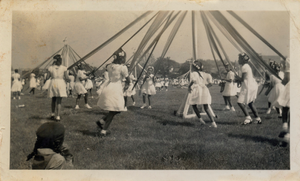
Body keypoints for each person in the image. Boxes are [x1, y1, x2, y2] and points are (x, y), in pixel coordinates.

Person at [96, 48, 129, 136]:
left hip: (108, 87)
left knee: (117, 109)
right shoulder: (123, 67)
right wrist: (127, 84)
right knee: (115, 109)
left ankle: (101, 121)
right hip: (116, 88)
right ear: (121, 58)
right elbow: (127, 78)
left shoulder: (109, 66)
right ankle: (104, 130)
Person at [188, 60, 217, 128]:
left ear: (194, 67)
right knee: (206, 107)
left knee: (193, 104)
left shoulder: (194, 73)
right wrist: (205, 87)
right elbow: (211, 83)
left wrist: (189, 86)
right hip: (204, 89)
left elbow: (193, 81)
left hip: (197, 90)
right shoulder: (206, 74)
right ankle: (213, 123)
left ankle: (201, 120)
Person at [235, 53, 261, 124]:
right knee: (250, 103)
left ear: (243, 60)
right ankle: (258, 118)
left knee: (240, 102)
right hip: (251, 85)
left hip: (248, 86)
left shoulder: (244, 67)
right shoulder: (246, 66)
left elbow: (242, 79)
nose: (238, 60)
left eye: (239, 58)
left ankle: (248, 117)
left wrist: (236, 78)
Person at [46, 54, 70, 121]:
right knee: (59, 100)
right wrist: (69, 80)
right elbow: (67, 77)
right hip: (60, 83)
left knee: (53, 99)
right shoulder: (64, 68)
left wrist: (48, 72)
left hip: (53, 83)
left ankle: (53, 114)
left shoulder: (50, 68)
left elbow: (47, 77)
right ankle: (58, 116)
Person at [274, 59, 290, 146]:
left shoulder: (289, 61)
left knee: (286, 107)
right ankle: (286, 131)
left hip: (292, 87)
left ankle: (286, 133)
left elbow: (287, 78)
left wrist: (282, 81)